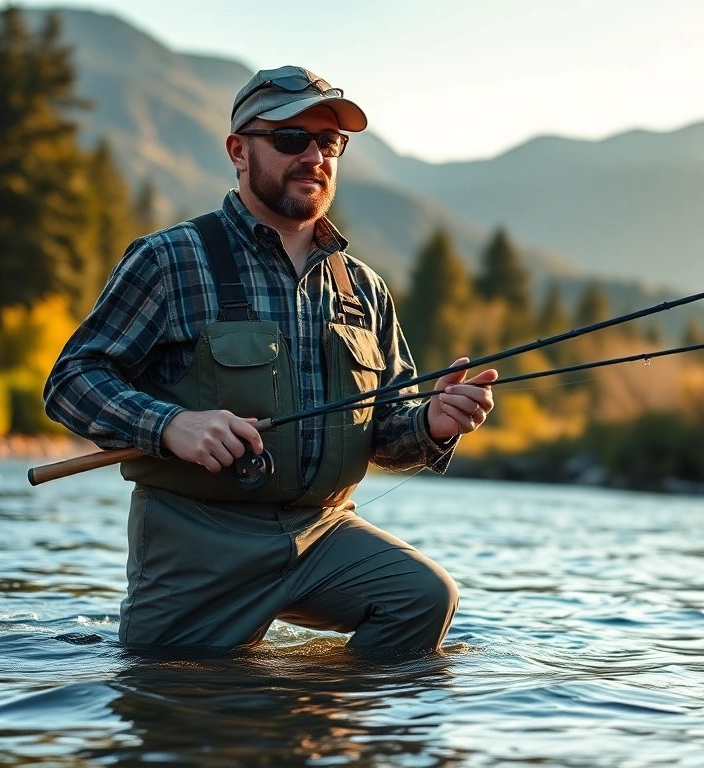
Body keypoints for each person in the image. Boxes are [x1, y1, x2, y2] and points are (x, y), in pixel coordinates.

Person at [44, 66, 496, 653]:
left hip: (322, 532)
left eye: (329, 142)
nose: (313, 156)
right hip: (198, 535)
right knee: (172, 696)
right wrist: (172, 426)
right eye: (290, 138)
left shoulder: (364, 289)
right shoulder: (170, 259)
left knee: (423, 598)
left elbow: (387, 431)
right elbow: (71, 381)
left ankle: (327, 727)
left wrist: (432, 424)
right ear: (238, 150)